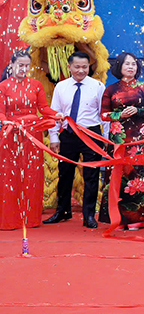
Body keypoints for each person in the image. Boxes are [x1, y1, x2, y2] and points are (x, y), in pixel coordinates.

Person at [44, 51, 106, 229]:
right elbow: (55, 114)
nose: (81, 70)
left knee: (91, 176)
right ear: (69, 67)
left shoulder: (98, 86)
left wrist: (107, 140)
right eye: (77, 67)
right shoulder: (61, 87)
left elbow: (103, 116)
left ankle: (89, 215)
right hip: (68, 134)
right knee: (64, 174)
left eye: (84, 67)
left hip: (91, 134)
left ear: (89, 67)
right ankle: (62, 211)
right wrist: (54, 137)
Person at [97, 52, 144, 229]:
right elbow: (103, 114)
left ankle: (139, 217)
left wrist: (137, 111)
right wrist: (119, 114)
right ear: (119, 67)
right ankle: (116, 217)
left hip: (139, 137)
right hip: (119, 138)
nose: (131, 67)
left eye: (134, 64)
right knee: (117, 174)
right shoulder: (111, 89)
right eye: (127, 64)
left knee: (139, 174)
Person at [0, 51, 57, 230]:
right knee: (11, 175)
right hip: (11, 133)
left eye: (27, 66)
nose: (24, 69)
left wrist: (58, 115)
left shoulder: (36, 85)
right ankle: (10, 219)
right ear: (12, 65)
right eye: (20, 65)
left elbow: (44, 108)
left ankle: (31, 218)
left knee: (32, 174)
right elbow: (1, 112)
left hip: (32, 135)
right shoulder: (3, 86)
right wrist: (5, 121)